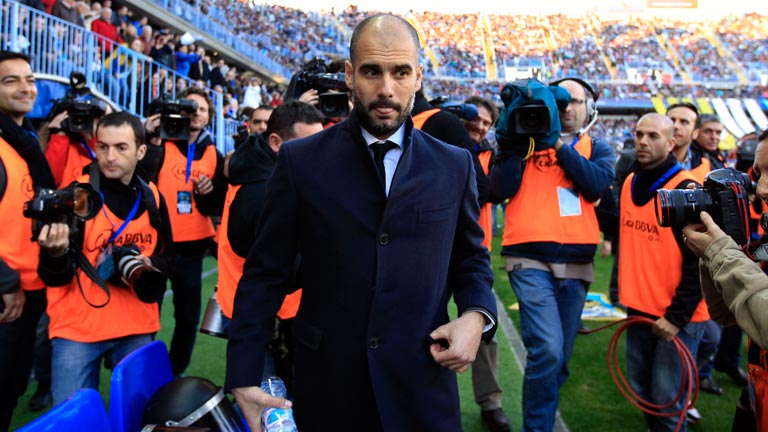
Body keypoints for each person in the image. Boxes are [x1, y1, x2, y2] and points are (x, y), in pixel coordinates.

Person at [226, 14, 497, 432]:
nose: (386, 88)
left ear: (418, 77)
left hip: (423, 389)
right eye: (372, 71)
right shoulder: (300, 162)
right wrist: (244, 375)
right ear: (351, 76)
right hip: (329, 389)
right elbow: (265, 273)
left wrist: (477, 315)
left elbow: (470, 258)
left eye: (400, 72)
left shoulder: (454, 164)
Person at [489, 77, 614, 432]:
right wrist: (513, 145)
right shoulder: (521, 143)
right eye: (561, 102)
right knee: (547, 349)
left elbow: (597, 185)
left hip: (577, 262)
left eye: (576, 101)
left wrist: (558, 145)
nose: (568, 108)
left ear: (589, 108)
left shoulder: (597, 147)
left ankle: (540, 419)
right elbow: (497, 190)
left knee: (559, 359)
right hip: (528, 257)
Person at [37, 111, 174, 405]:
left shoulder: (152, 196)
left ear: (141, 151)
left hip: (136, 325)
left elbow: (168, 257)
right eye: (103, 147)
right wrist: (55, 253)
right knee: (75, 420)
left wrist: (148, 264)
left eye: (121, 147)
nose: (110, 157)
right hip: (78, 329)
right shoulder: (75, 196)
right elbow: (52, 276)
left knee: (138, 417)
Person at [618, 113, 707, 432]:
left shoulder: (686, 189)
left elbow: (701, 262)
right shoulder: (630, 182)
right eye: (639, 134)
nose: (643, 141)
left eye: (653, 136)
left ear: (672, 143)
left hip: (676, 317)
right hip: (639, 308)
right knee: (644, 393)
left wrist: (676, 317)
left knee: (668, 403)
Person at [683, 129, 768, 432]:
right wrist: (712, 249)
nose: (762, 189)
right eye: (759, 174)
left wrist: (721, 253)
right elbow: (728, 314)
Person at [143, 86, 227, 376]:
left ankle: (175, 370)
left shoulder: (214, 153)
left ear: (208, 117)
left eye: (202, 109)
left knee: (188, 318)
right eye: (190, 108)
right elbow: (141, 181)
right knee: (148, 314)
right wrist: (149, 138)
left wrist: (207, 193)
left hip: (192, 248)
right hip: (157, 245)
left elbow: (216, 206)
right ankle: (143, 372)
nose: (196, 114)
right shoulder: (161, 143)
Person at [0, 51, 56, 432]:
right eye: (11, 80)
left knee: (12, 386)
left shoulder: (23, 142)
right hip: (7, 298)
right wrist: (6, 283)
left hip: (30, 292)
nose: (26, 87)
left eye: (30, 79)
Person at [463, 95, 510, 432]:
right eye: (474, 118)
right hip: (433, 248)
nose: (479, 126)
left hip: (475, 251)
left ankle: (490, 401)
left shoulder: (492, 157)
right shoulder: (435, 144)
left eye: (486, 123)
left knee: (484, 326)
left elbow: (493, 191)